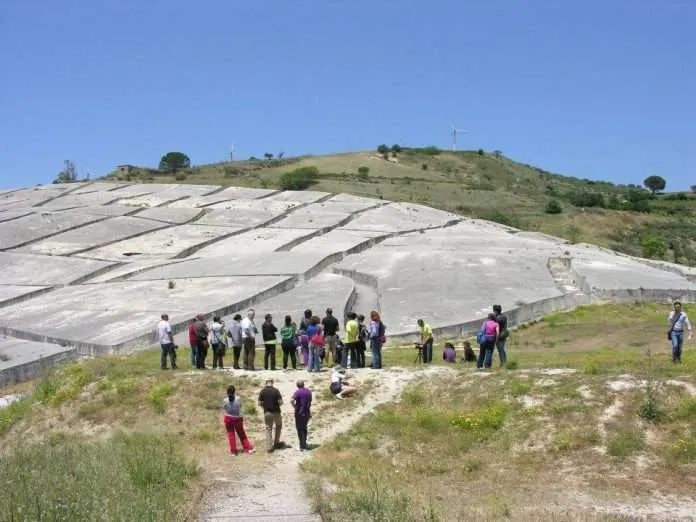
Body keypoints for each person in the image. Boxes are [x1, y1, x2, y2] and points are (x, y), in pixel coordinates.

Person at [223, 385, 255, 455]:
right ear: (234, 391)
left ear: (227, 392)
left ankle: (233, 451)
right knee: (242, 434)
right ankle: (248, 448)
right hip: (237, 418)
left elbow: (225, 408)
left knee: (231, 435)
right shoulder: (238, 398)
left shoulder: (225, 400)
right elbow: (240, 406)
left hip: (228, 418)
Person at [258, 379, 284, 452]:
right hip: (276, 412)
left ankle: (269, 447)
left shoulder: (263, 391)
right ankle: (276, 443)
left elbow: (259, 403)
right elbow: (281, 402)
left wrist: (264, 407)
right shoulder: (276, 391)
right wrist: (277, 406)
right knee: (278, 426)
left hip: (267, 412)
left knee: (268, 428)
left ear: (266, 383)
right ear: (272, 383)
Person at [291, 380, 312, 451]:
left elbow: (292, 400)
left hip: (299, 413)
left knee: (300, 429)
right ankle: (304, 443)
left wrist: (295, 406)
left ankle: (302, 446)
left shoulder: (297, 392)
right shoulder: (309, 391)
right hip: (307, 412)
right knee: (304, 428)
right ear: (303, 384)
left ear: (297, 385)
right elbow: (309, 402)